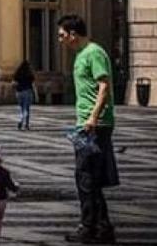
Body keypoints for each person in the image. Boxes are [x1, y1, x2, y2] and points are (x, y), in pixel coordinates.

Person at [58, 13, 119, 245]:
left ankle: (89, 227)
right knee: (88, 178)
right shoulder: (81, 54)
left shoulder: (93, 53)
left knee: (85, 176)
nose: (60, 40)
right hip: (86, 125)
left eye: (62, 35)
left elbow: (104, 86)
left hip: (95, 125)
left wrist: (93, 117)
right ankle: (102, 227)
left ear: (73, 34)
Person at [13, 60, 35, 131]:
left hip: (19, 92)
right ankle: (26, 124)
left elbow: (14, 81)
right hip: (27, 92)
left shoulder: (18, 73)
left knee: (21, 109)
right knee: (26, 109)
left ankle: (21, 121)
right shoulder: (29, 73)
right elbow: (32, 83)